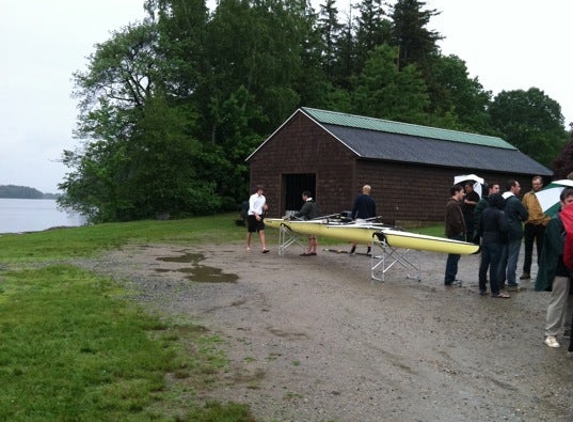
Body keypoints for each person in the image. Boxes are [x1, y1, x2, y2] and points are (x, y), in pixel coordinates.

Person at [535, 187, 573, 348]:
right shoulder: (555, 221)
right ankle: (550, 333)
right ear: (562, 203)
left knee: (571, 300)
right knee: (558, 300)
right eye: (570, 202)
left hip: (571, 266)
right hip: (560, 267)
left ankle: (568, 329)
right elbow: (559, 247)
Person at [477, 193, 510, 298]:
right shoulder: (500, 213)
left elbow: (480, 227)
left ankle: (482, 288)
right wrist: (503, 238)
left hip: (486, 239)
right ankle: (495, 291)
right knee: (494, 267)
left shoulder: (484, 212)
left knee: (484, 265)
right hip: (496, 241)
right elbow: (504, 228)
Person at [498, 179, 528, 291]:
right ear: (512, 187)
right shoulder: (515, 201)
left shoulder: (501, 200)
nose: (520, 188)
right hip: (514, 232)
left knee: (503, 258)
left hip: (503, 231)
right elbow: (525, 215)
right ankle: (512, 283)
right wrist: (519, 217)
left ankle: (500, 281)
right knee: (512, 258)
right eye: (518, 186)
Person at [520, 176, 550, 280]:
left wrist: (546, 221)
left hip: (541, 224)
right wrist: (525, 219)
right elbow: (523, 208)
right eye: (534, 184)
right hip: (529, 224)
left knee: (541, 250)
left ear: (541, 184)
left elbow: (551, 209)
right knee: (528, 249)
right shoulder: (527, 195)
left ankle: (541, 273)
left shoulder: (546, 195)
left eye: (537, 184)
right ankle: (526, 272)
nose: (535, 186)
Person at [444, 185, 466, 286]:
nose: (463, 194)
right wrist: (461, 231)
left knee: (454, 257)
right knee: (453, 257)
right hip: (455, 235)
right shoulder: (453, 204)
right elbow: (455, 221)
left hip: (455, 234)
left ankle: (451, 277)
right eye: (462, 192)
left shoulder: (454, 204)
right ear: (457, 192)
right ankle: (450, 279)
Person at [349, 184, 377, 254]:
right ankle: (369, 249)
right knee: (368, 235)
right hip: (369, 220)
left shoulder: (359, 198)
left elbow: (355, 208)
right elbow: (374, 211)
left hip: (360, 218)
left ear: (363, 190)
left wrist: (352, 217)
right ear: (369, 191)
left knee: (357, 234)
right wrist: (374, 219)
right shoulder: (372, 200)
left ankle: (353, 249)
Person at [293, 190, 320, 256]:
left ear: (305, 196)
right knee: (314, 237)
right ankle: (314, 250)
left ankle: (308, 252)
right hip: (316, 221)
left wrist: (292, 217)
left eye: (302, 196)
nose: (302, 197)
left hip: (310, 222)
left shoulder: (308, 204)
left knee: (310, 237)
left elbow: (302, 212)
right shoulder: (314, 203)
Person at [246, 185, 269, 253]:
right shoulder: (252, 197)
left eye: (262, 190)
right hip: (252, 215)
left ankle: (264, 248)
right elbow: (251, 208)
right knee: (250, 232)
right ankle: (248, 246)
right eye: (260, 190)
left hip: (260, 215)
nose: (261, 192)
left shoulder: (263, 198)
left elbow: (263, 206)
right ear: (257, 190)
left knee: (261, 231)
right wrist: (256, 215)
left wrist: (265, 207)